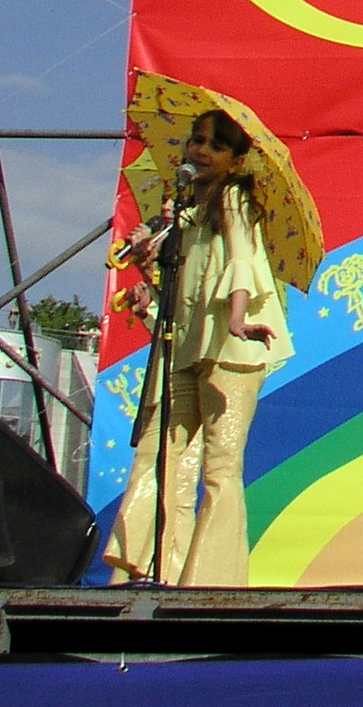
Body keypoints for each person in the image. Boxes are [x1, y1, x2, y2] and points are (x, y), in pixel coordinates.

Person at [103, 108, 293, 586]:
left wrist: (237, 317)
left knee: (220, 468)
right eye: (197, 141)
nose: (202, 151)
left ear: (235, 160)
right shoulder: (184, 212)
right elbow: (182, 290)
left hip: (232, 349)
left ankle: (212, 582)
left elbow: (243, 261)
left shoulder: (234, 198)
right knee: (161, 453)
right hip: (186, 348)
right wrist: (148, 261)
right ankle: (149, 568)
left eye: (216, 145)